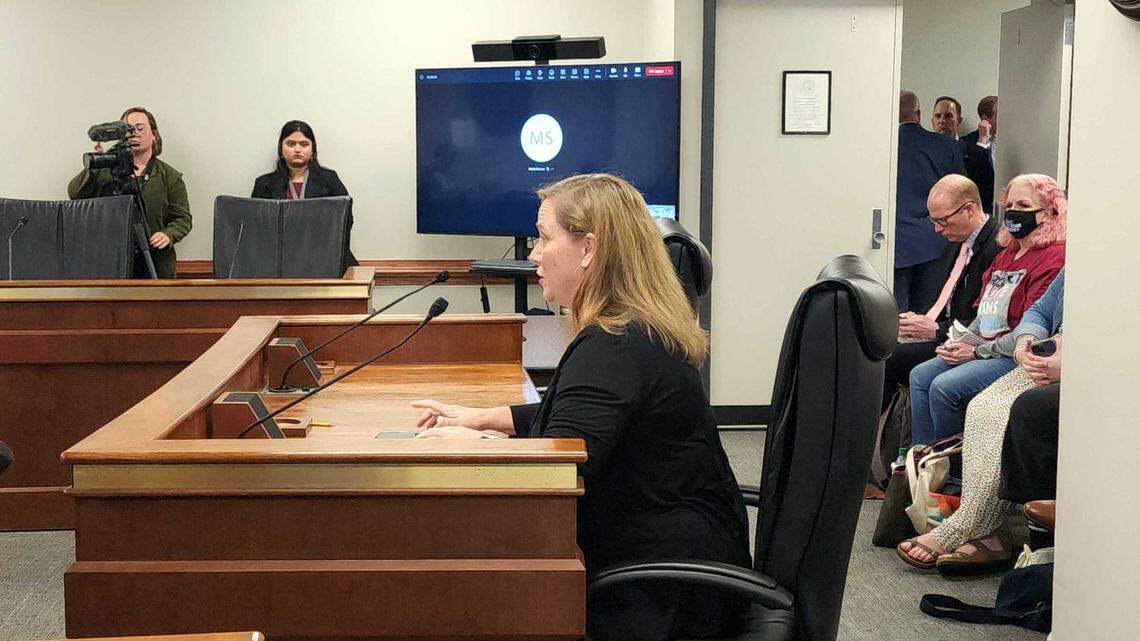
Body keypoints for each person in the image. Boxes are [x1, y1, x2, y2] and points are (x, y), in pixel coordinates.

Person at [409, 173, 751, 641]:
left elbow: (559, 471)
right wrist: (481, 418)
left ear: (588, 250)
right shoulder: (628, 327)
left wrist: (476, 446)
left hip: (664, 589)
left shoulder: (615, 343)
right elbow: (576, 416)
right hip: (676, 555)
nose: (532, 255)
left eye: (543, 238)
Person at [898, 269, 1064, 572]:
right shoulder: (1073, 265)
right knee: (981, 406)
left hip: (1084, 365)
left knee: (1007, 408)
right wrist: (1025, 343)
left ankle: (967, 525)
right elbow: (1039, 310)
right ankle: (978, 522)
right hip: (1043, 356)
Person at [907, 173, 1067, 449]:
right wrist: (961, 341)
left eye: (1024, 206)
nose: (1014, 212)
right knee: (920, 376)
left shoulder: (1054, 258)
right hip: (984, 344)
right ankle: (922, 464)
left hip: (1010, 353)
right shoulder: (1006, 253)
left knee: (945, 387)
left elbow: (1028, 327)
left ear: (1048, 213)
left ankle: (951, 471)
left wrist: (976, 351)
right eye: (1010, 205)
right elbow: (985, 313)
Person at [883, 174, 1002, 414]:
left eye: (944, 221)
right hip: (941, 330)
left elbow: (991, 320)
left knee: (888, 359)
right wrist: (919, 323)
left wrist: (937, 330)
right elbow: (941, 300)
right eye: (934, 220)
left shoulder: (997, 249)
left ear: (969, 210)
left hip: (965, 340)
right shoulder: (954, 243)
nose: (937, 229)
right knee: (878, 342)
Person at [68, 107, 192, 279]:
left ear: (154, 134)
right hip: (111, 263)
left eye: (140, 128)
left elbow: (183, 219)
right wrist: (96, 166)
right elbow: (75, 194)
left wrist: (168, 234)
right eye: (128, 129)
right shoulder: (106, 170)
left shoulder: (169, 176)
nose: (134, 134)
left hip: (155, 263)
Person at [251, 120, 357, 268]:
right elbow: (257, 227)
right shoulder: (264, 184)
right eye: (291, 144)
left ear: (313, 149)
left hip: (325, 257)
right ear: (281, 149)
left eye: (304, 144)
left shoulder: (329, 179)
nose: (297, 149)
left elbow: (346, 220)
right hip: (280, 260)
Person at [895, 91, 965, 312]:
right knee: (929, 313)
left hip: (895, 242)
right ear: (919, 114)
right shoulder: (947, 146)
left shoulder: (881, 145)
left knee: (895, 315)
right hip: (937, 241)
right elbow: (962, 191)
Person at [932, 96, 994, 214]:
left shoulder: (975, 152)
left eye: (948, 116)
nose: (942, 121)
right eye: (938, 116)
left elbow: (986, 193)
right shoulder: (924, 154)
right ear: (932, 120)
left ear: (958, 120)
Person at [961, 95, 998, 211]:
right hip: (981, 207)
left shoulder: (1006, 141)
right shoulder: (967, 142)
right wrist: (982, 142)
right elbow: (971, 176)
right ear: (986, 120)